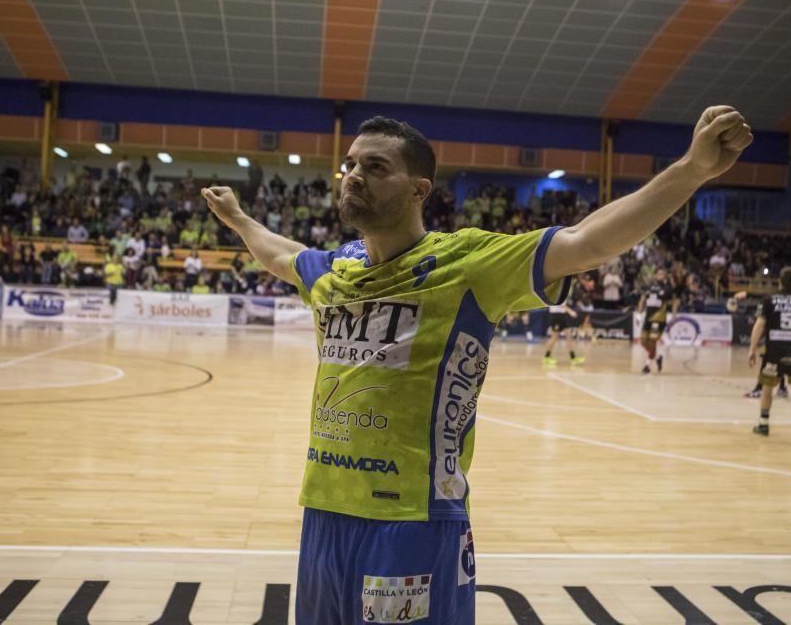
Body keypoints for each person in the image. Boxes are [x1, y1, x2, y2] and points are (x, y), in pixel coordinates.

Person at [202, 107, 753, 625]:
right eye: (350, 164)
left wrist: (690, 170)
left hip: (414, 521)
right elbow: (276, 253)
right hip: (322, 509)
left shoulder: (468, 261)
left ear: (420, 189)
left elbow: (587, 243)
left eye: (375, 167)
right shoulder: (332, 271)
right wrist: (239, 218)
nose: (353, 176)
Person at [747, 266, 791, 446]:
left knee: (767, 387)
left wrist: (752, 349)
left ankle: (763, 424)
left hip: (773, 353)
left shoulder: (769, 299)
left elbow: (759, 325)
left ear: (779, 281)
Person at [637, 266, 677, 374]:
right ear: (655, 275)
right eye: (659, 274)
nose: (660, 276)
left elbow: (674, 301)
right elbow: (642, 299)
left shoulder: (667, 289)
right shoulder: (649, 287)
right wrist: (639, 312)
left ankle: (647, 366)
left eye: (662, 274)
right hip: (647, 318)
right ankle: (657, 357)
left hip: (659, 319)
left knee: (652, 341)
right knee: (643, 342)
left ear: (665, 276)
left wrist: (673, 316)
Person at [543, 283, 584, 367]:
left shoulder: (563, 288)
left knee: (569, 336)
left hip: (562, 315)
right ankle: (546, 357)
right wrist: (570, 311)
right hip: (556, 315)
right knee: (555, 337)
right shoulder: (555, 289)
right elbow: (559, 304)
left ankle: (573, 358)